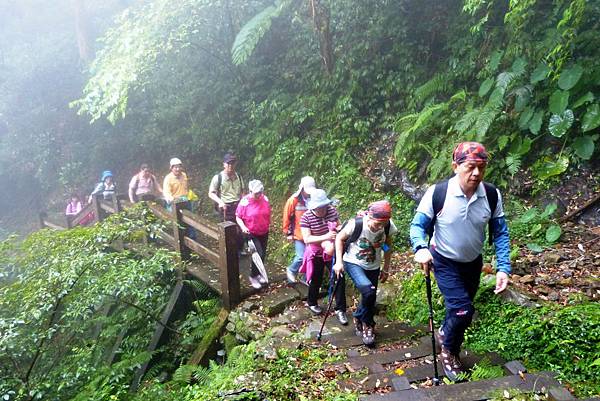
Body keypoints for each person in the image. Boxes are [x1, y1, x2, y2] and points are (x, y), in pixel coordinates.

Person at [409, 141, 511, 381]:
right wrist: (421, 248)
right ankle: (449, 353)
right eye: (470, 167)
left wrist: (503, 267)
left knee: (459, 308)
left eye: (481, 168)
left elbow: (501, 232)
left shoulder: (492, 195)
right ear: (456, 166)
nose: (476, 173)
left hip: (473, 262)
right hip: (443, 259)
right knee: (463, 310)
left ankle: (445, 331)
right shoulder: (438, 193)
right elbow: (417, 226)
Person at [333, 200, 397, 346]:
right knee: (368, 291)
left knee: (371, 295)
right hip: (353, 262)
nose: (380, 226)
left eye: (383, 223)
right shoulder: (357, 224)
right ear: (369, 216)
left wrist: (386, 267)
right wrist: (338, 262)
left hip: (373, 265)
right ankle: (368, 325)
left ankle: (358, 317)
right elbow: (339, 238)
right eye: (377, 223)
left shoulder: (387, 225)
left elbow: (387, 245)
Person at [299, 189, 347, 325]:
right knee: (316, 277)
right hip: (315, 251)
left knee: (339, 276)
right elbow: (307, 239)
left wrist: (338, 230)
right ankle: (312, 302)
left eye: (323, 207)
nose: (321, 210)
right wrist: (326, 236)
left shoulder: (331, 211)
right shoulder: (306, 217)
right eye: (318, 207)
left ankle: (340, 309)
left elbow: (339, 225)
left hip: (332, 249)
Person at [236, 180, 271, 289]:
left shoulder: (264, 199)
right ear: (250, 191)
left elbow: (267, 213)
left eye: (260, 192)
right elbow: (238, 216)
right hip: (251, 233)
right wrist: (243, 227)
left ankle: (259, 274)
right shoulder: (244, 202)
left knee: (263, 254)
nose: (259, 195)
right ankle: (253, 276)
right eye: (256, 193)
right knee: (257, 254)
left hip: (264, 231)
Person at [282, 176, 316, 283]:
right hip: (299, 234)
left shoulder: (314, 198)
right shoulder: (293, 200)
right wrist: (287, 233)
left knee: (310, 257)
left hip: (312, 234)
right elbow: (286, 217)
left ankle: (306, 278)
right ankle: (291, 270)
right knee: (301, 257)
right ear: (301, 188)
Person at [163, 157, 196, 239]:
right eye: (175, 167)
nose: (178, 169)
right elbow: (167, 193)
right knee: (178, 222)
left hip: (185, 199)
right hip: (175, 201)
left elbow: (186, 187)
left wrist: (189, 195)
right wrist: (172, 200)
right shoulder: (168, 178)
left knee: (190, 219)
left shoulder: (184, 175)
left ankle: (192, 239)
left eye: (179, 167)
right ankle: (180, 240)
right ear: (171, 168)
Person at [209, 152, 244, 222]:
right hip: (226, 208)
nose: (230, 165)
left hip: (238, 207)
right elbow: (211, 193)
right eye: (228, 163)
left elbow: (242, 191)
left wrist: (243, 203)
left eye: (233, 163)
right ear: (224, 164)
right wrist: (220, 202)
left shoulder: (239, 177)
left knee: (240, 229)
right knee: (228, 230)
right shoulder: (218, 177)